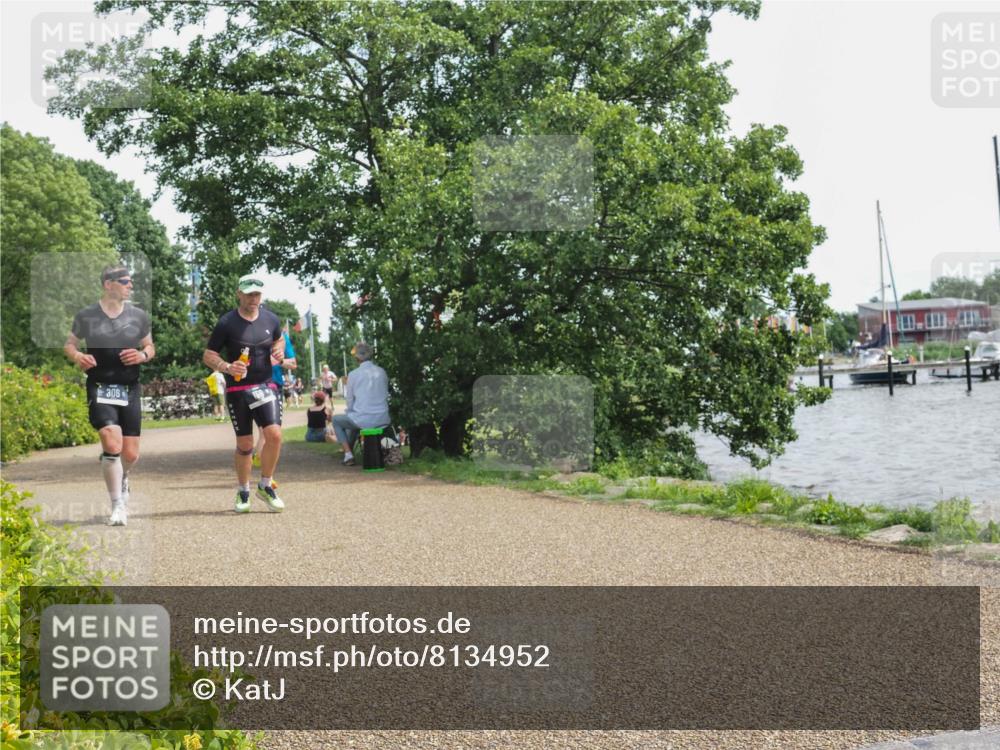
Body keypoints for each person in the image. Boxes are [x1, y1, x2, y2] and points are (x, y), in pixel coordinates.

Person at [64, 264, 154, 526]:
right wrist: (78, 356)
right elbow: (70, 344)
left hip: (129, 387)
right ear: (108, 284)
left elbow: (150, 346)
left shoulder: (138, 316)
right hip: (100, 385)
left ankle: (123, 476)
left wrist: (142, 355)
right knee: (111, 442)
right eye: (125, 281)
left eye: (130, 281)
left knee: (130, 454)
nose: (130, 286)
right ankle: (117, 505)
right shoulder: (86, 315)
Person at [203, 274, 286, 513]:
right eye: (248, 294)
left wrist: (278, 351)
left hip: (265, 385)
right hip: (238, 389)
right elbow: (209, 355)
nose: (253, 298)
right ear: (239, 294)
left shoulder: (271, 319)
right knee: (245, 443)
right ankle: (243, 490)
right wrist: (227, 367)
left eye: (256, 294)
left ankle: (265, 485)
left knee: (274, 435)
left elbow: (279, 340)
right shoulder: (227, 323)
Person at [332, 342, 390, 465]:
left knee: (337, 420)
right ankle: (349, 452)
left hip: (364, 419)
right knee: (354, 420)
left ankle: (348, 454)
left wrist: (350, 411)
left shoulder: (353, 374)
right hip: (383, 418)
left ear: (357, 358)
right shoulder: (382, 371)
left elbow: (350, 400)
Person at [254, 329, 296, 465]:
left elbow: (293, 363)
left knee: (270, 430)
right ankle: (263, 466)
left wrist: (279, 360)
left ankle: (260, 462)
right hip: (255, 386)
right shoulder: (251, 332)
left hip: (274, 386)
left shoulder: (282, 337)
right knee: (265, 431)